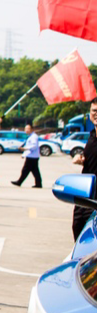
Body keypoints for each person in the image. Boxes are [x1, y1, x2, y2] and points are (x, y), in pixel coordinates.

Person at [70, 100, 97, 239]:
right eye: (94, 111)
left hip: (95, 202)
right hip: (85, 196)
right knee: (77, 228)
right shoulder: (92, 135)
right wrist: (80, 158)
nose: (96, 114)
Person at [11, 124, 43, 188]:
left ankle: (19, 182)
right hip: (32, 156)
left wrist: (24, 149)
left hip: (32, 157)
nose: (26, 130)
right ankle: (38, 184)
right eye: (25, 129)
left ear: (32, 129)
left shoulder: (34, 137)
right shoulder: (31, 136)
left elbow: (34, 146)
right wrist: (24, 154)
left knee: (25, 170)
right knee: (35, 171)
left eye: (28, 129)